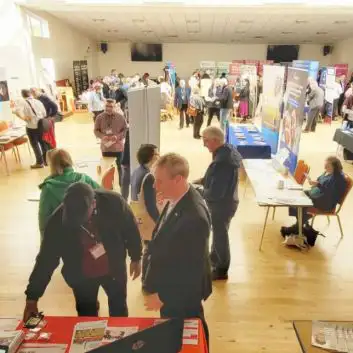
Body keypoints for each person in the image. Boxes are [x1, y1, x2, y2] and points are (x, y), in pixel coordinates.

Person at [23, 182, 142, 321]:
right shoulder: (57, 222)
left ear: (94, 204)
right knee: (86, 319)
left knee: (119, 312)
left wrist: (136, 257)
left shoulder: (114, 203)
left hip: (113, 270)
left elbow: (131, 229)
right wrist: (32, 298)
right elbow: (46, 260)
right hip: (82, 277)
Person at [143, 153, 212, 347]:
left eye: (160, 181)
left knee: (190, 330)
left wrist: (161, 296)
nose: (155, 186)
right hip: (171, 287)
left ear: (178, 179)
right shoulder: (177, 198)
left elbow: (188, 270)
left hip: (181, 293)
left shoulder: (194, 218)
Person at [194, 126, 242, 281]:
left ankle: (221, 270)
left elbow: (215, 192)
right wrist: (202, 181)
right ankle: (214, 258)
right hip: (229, 201)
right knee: (219, 233)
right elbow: (216, 179)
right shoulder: (228, 151)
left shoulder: (221, 162)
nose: (204, 144)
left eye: (205, 140)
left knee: (220, 235)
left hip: (221, 205)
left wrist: (197, 191)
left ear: (215, 140)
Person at [38, 148, 100, 239]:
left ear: (52, 165)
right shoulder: (85, 179)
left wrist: (44, 243)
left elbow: (43, 218)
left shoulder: (48, 188)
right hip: (86, 233)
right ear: (70, 161)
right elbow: (102, 198)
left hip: (62, 236)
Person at [283, 156, 347, 233]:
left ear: (334, 167)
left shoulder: (338, 178)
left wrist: (318, 185)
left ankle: (298, 226)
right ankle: (301, 221)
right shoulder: (330, 172)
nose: (325, 167)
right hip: (319, 195)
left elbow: (330, 193)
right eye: (325, 165)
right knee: (298, 195)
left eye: (327, 166)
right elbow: (321, 182)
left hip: (326, 202)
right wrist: (314, 182)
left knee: (302, 202)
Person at [130, 144, 160, 282]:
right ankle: (148, 280)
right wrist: (160, 221)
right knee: (151, 249)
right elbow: (150, 205)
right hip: (148, 218)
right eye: (157, 154)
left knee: (148, 247)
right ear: (151, 157)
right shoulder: (149, 177)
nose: (159, 157)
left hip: (138, 214)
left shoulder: (137, 171)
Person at [94, 99, 127, 188]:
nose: (108, 108)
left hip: (118, 148)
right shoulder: (99, 117)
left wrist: (117, 137)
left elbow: (125, 130)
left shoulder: (120, 117)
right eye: (107, 106)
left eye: (111, 107)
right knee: (107, 167)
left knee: (119, 166)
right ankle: (108, 185)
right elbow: (96, 130)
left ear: (115, 106)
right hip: (106, 148)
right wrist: (102, 136)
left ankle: (120, 184)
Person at [14, 89, 47, 169]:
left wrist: (24, 118)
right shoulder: (38, 101)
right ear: (30, 94)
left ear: (22, 95)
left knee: (35, 144)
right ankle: (46, 161)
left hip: (31, 127)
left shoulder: (22, 102)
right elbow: (44, 113)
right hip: (41, 125)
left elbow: (17, 111)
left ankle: (39, 163)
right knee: (43, 143)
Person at [120, 129, 130, 200]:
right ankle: (123, 200)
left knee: (125, 183)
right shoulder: (129, 131)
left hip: (126, 161)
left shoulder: (129, 131)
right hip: (127, 161)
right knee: (125, 182)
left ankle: (123, 200)